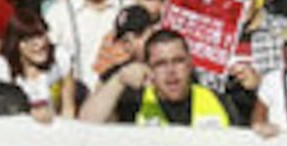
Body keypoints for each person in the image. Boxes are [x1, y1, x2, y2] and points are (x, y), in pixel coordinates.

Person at [80, 29, 231, 127]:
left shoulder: (218, 101)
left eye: (178, 61)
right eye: (160, 64)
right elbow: (86, 125)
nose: (171, 71)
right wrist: (118, 80)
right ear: (148, 68)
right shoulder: (134, 102)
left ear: (190, 64)